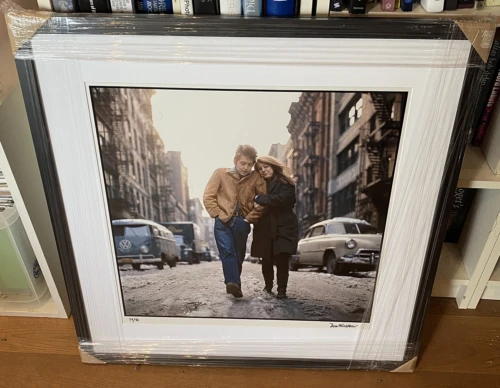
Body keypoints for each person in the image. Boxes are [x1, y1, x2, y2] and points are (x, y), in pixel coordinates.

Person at [203, 145, 266, 298]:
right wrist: (217, 214)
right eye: (243, 163)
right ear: (235, 161)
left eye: (250, 165)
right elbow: (208, 196)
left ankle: (235, 285)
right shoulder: (220, 173)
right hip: (222, 221)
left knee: (238, 255)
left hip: (241, 223)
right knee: (227, 251)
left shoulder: (256, 178)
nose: (246, 167)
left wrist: (248, 219)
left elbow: (263, 202)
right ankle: (232, 282)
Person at [251, 156, 299, 299]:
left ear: (273, 166)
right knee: (266, 259)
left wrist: (261, 199)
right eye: (260, 169)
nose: (263, 170)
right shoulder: (258, 184)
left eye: (266, 166)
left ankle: (282, 289)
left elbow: (284, 199)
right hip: (265, 225)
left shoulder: (286, 182)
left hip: (283, 225)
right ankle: (268, 286)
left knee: (282, 257)